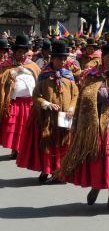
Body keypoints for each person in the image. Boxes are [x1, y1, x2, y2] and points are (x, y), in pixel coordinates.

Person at [60, 36, 109, 213]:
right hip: (94, 126)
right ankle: (96, 186)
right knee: (97, 160)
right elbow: (85, 96)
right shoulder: (91, 74)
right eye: (108, 57)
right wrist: (103, 92)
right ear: (103, 57)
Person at [16, 40, 79, 183]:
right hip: (47, 117)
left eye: (64, 59)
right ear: (53, 59)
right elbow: (36, 95)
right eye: (59, 59)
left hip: (65, 117)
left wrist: (71, 108)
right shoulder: (44, 76)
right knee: (47, 144)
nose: (62, 62)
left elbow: (75, 94)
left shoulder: (69, 76)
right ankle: (46, 169)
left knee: (63, 145)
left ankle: (59, 171)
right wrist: (46, 103)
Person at [0, 35, 41, 159]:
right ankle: (15, 149)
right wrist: (14, 71)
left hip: (30, 102)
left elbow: (40, 80)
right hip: (14, 102)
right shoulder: (7, 65)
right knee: (15, 126)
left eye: (24, 52)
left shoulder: (33, 66)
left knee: (26, 128)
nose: (22, 55)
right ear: (15, 52)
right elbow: (2, 79)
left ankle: (23, 150)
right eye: (19, 52)